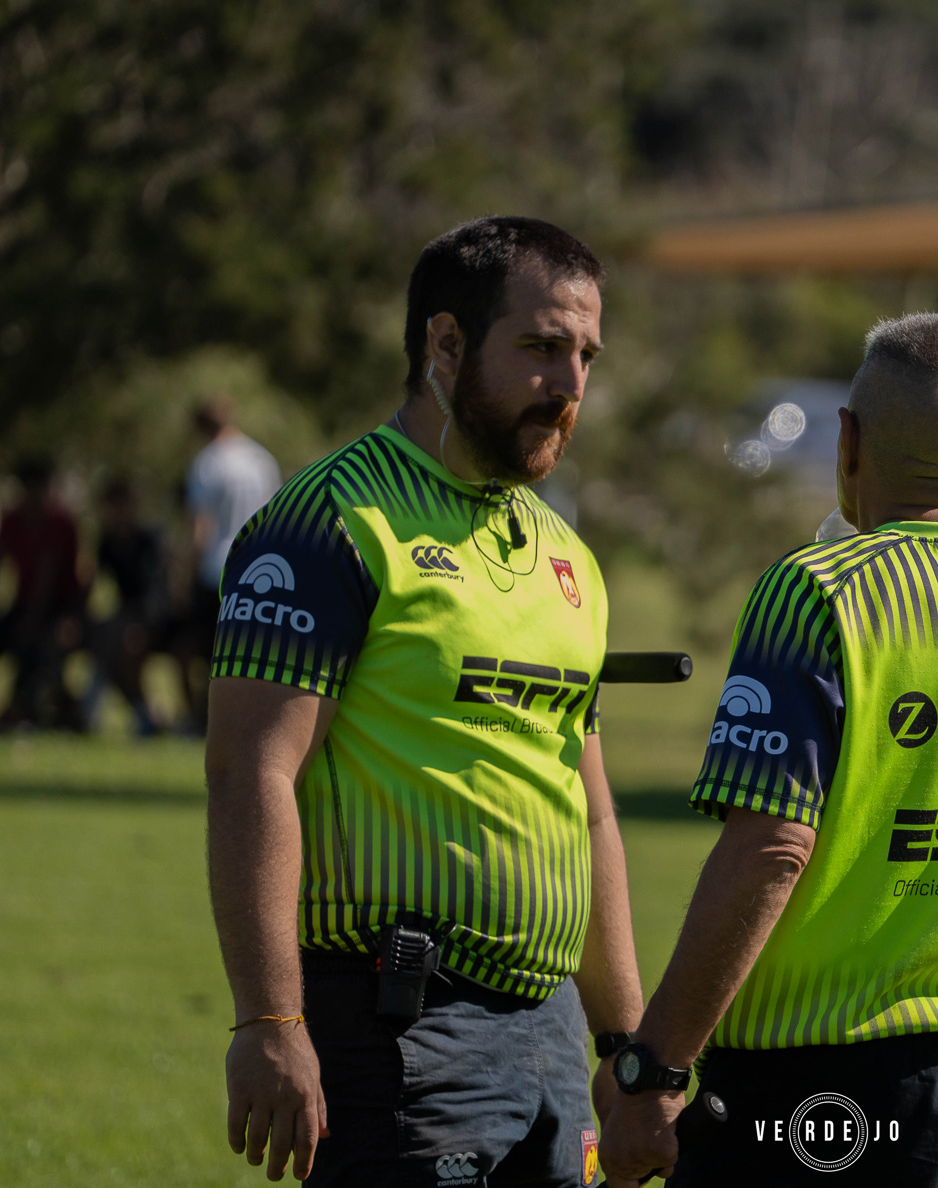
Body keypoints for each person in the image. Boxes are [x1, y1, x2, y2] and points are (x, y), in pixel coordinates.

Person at [600, 312, 938, 1187]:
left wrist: (655, 1069)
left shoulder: (816, 590)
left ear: (846, 443)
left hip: (825, 1081)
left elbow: (771, 846)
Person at [205, 216, 642, 1185]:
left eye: (585, 356)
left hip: (550, 1040)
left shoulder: (568, 556)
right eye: (539, 349)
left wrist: (628, 1048)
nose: (570, 387)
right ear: (445, 345)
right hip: (396, 1026)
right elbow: (249, 775)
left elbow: (592, 810)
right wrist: (271, 1021)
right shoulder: (329, 524)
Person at [0, 459, 87, 729]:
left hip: (60, 608)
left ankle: (25, 710)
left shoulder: (60, 523)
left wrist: (31, 620)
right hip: (24, 603)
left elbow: (49, 575)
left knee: (37, 648)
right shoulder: (12, 520)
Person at [177, 395, 279, 730]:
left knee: (205, 653)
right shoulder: (261, 458)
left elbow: (200, 529)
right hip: (259, 570)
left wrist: (183, 575)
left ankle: (205, 721)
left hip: (215, 569)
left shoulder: (207, 464)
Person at [86, 477, 169, 735]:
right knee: (104, 644)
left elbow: (160, 591)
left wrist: (143, 625)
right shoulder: (107, 543)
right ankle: (143, 713)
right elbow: (94, 586)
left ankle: (142, 713)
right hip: (125, 615)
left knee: (120, 646)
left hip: (153, 617)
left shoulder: (148, 541)